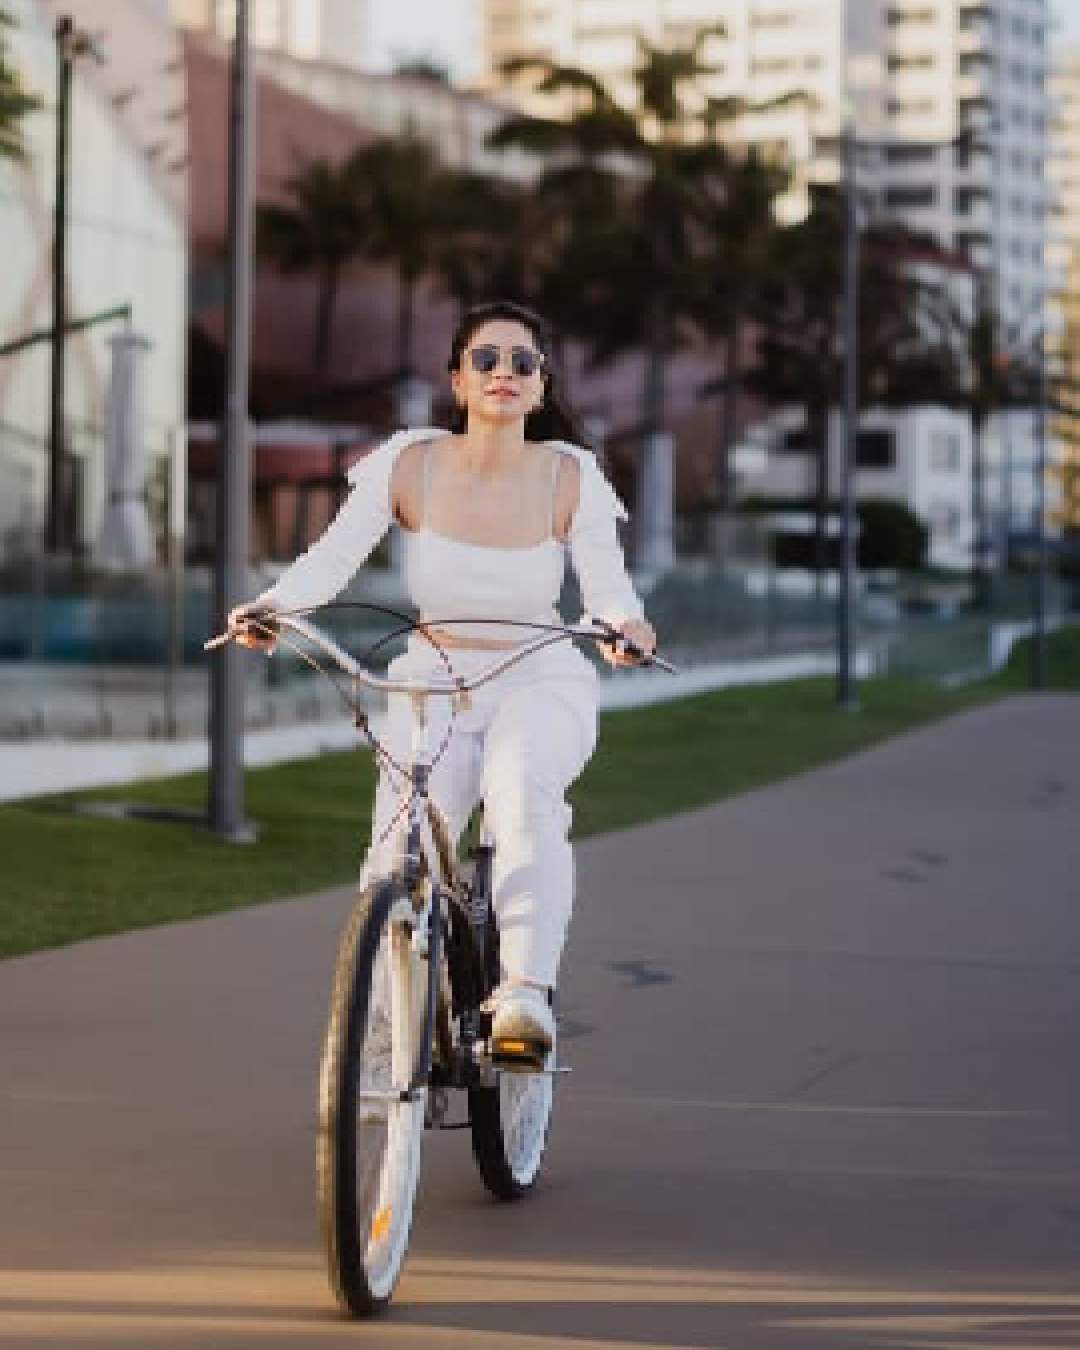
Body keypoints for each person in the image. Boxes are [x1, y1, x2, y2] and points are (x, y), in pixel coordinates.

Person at [230, 300, 655, 1053]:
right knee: (397, 852)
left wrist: (625, 628)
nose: (504, 374)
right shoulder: (409, 462)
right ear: (457, 380)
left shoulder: (570, 475)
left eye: (523, 363)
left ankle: (523, 997)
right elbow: (331, 558)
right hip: (432, 677)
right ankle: (389, 1032)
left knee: (520, 791)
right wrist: (271, 608)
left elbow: (608, 589)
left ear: (541, 385)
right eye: (487, 360)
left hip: (539, 678)